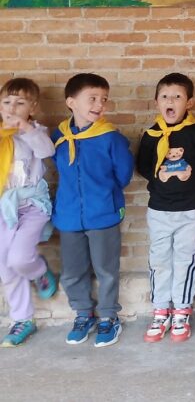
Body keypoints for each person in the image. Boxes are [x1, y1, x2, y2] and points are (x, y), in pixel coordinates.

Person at [135, 72, 195, 343]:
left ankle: (182, 310)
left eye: (177, 96)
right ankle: (160, 310)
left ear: (189, 103)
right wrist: (159, 183)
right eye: (164, 96)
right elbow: (142, 165)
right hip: (160, 210)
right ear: (157, 102)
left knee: (185, 258)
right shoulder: (151, 135)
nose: (170, 101)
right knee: (159, 260)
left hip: (191, 211)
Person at [51, 73, 134, 347]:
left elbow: (123, 174)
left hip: (103, 215)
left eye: (104, 99)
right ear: (71, 102)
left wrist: (104, 196)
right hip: (69, 216)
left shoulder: (111, 138)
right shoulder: (59, 136)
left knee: (106, 269)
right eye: (93, 98)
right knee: (72, 271)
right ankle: (83, 313)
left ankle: (109, 317)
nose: (100, 104)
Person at [0, 78, 58, 347]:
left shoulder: (36, 131)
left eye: (20, 103)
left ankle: (39, 272)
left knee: (20, 258)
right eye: (6, 102)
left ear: (32, 107)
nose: (12, 108)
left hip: (32, 205)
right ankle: (22, 319)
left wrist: (24, 128)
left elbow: (47, 150)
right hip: (4, 207)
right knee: (4, 264)